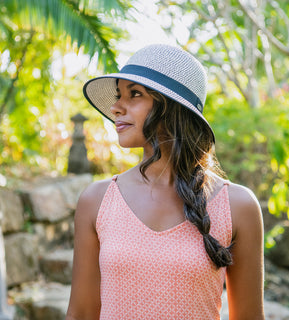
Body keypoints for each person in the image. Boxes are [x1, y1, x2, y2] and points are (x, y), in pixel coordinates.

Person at [66, 44, 265, 320]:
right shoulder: (98, 201)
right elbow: (81, 315)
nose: (116, 108)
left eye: (134, 94)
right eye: (118, 95)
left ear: (171, 107)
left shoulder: (237, 206)